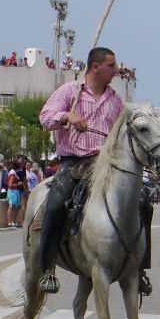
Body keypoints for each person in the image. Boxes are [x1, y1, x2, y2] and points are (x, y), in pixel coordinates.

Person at [37, 47, 128, 294]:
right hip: (73, 162)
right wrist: (68, 115)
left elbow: (122, 133)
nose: (116, 70)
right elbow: (45, 117)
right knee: (56, 205)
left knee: (141, 203)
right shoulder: (70, 91)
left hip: (107, 164)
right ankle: (47, 269)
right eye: (111, 66)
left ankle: (138, 269)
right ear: (96, 66)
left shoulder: (116, 99)